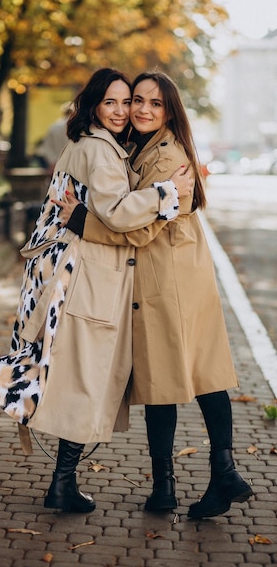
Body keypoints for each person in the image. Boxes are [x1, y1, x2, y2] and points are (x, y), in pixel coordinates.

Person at [0, 68, 192, 514]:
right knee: (78, 378)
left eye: (127, 103)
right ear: (93, 105)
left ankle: (58, 481)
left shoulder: (86, 142)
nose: (124, 111)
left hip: (71, 272)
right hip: (86, 277)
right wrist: (169, 193)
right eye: (112, 102)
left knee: (69, 376)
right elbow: (120, 214)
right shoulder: (101, 152)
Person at [54, 70, 254, 519]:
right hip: (171, 276)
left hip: (170, 278)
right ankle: (192, 482)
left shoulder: (168, 160)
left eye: (154, 104)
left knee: (191, 377)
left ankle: (205, 479)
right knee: (180, 379)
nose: (141, 109)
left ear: (169, 112)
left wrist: (82, 221)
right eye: (136, 100)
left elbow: (141, 229)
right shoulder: (136, 147)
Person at [33, 102, 73, 173]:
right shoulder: (76, 126)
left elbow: (47, 147)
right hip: (71, 163)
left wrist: (52, 162)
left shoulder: (54, 126)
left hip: (56, 163)